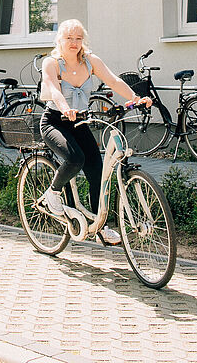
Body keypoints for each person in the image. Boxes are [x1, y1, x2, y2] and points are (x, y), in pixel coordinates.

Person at [38, 19, 152, 245]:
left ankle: (100, 227)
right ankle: (53, 193)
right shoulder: (51, 63)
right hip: (55, 121)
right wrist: (65, 108)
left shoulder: (90, 61)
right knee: (75, 159)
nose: (74, 42)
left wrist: (135, 98)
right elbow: (53, 89)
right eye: (69, 38)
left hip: (79, 122)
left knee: (97, 173)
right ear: (60, 40)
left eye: (78, 38)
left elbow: (113, 81)